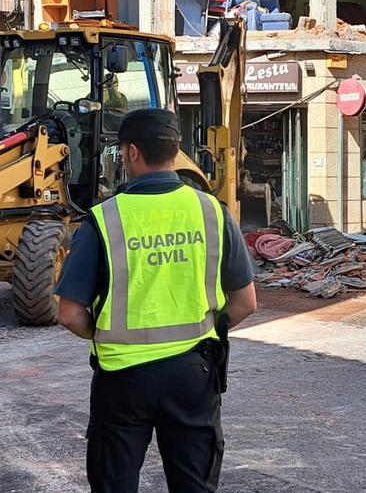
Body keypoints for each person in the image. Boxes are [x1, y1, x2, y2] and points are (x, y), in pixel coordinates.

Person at [55, 108, 258, 493]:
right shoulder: (212, 211)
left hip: (122, 380)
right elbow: (245, 302)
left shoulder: (104, 219)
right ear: (174, 151)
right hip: (193, 375)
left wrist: (103, 334)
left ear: (131, 152)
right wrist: (209, 329)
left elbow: (69, 314)